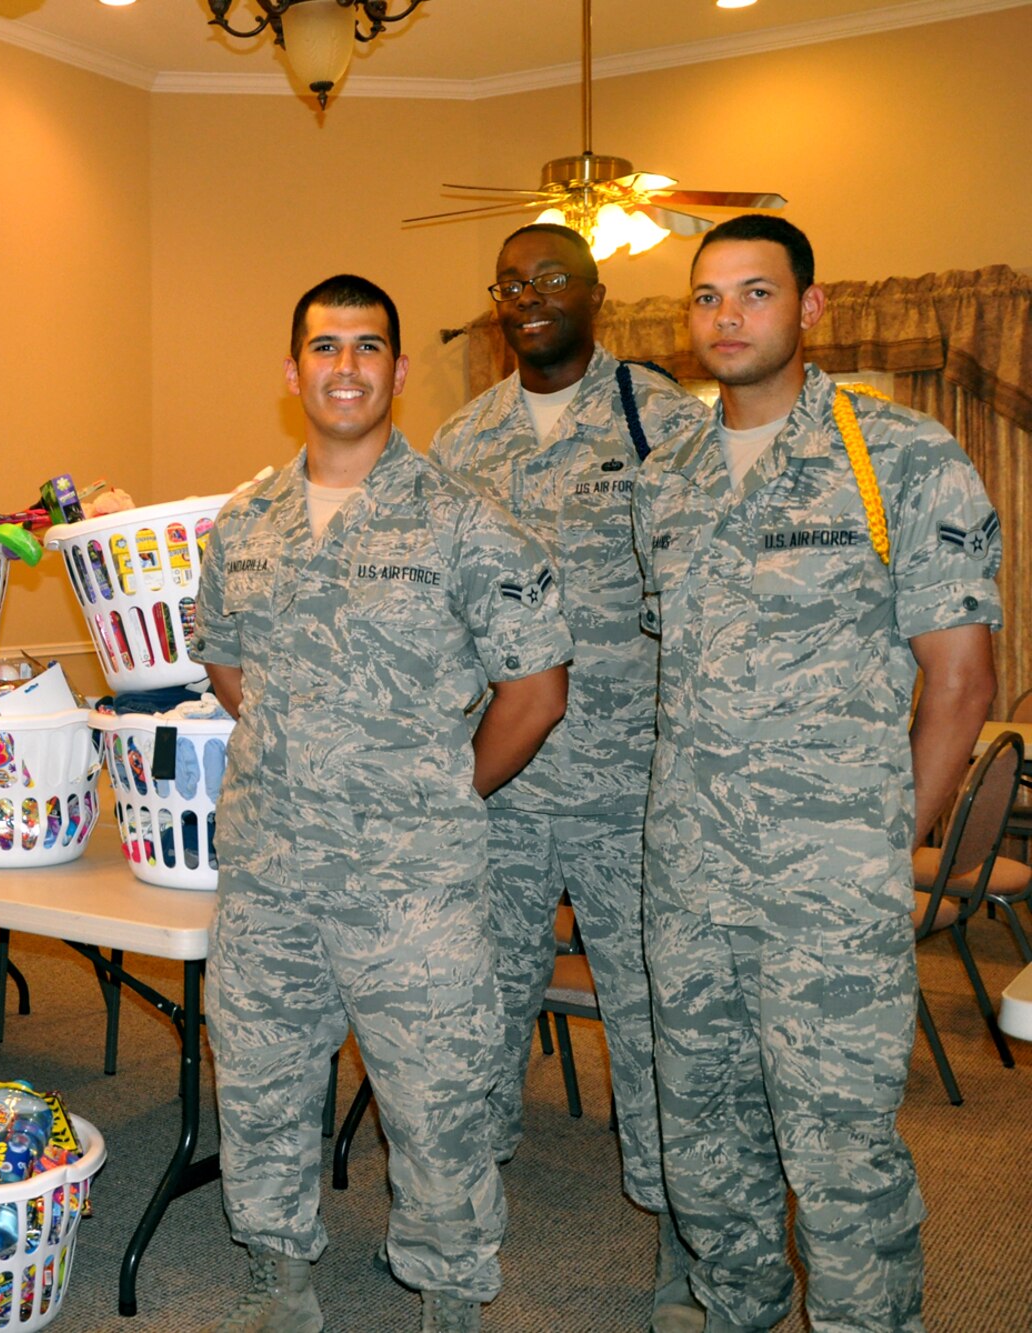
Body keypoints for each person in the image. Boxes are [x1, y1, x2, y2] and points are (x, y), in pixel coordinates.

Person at [633, 215, 999, 1332]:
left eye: (753, 292)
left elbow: (959, 681)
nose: (726, 316)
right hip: (687, 876)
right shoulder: (667, 475)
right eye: (706, 296)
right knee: (704, 1142)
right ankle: (731, 1308)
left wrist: (885, 847)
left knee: (839, 1156)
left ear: (808, 307)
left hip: (827, 885)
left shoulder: (897, 456)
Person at [195, 275, 573, 1333]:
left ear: (398, 372)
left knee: (435, 1099)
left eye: (367, 348)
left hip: (413, 886)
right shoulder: (244, 524)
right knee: (262, 1084)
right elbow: (233, 668)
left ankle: (450, 1290)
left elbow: (534, 694)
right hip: (269, 872)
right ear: (291, 371)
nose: (345, 366)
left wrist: (435, 785)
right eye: (324, 347)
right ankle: (277, 1269)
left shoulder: (467, 524)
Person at [431, 224, 710, 1320]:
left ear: (596, 294)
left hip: (626, 792)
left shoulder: (661, 421)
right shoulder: (460, 439)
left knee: (656, 1029)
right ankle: (452, 1241)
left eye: (550, 278)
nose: (527, 296)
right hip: (496, 792)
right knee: (466, 1016)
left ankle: (686, 1247)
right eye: (508, 283)